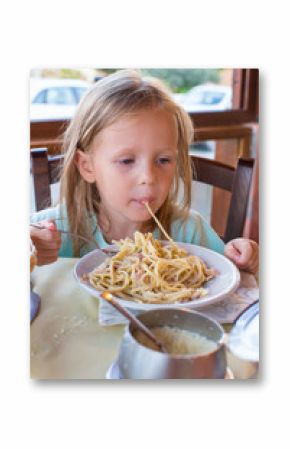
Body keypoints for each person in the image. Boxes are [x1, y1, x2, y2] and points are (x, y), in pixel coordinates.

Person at [30, 69, 258, 274]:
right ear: (87, 166)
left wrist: (239, 258)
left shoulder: (189, 230)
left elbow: (228, 275)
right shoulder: (58, 228)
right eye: (127, 161)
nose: (148, 177)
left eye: (163, 160)